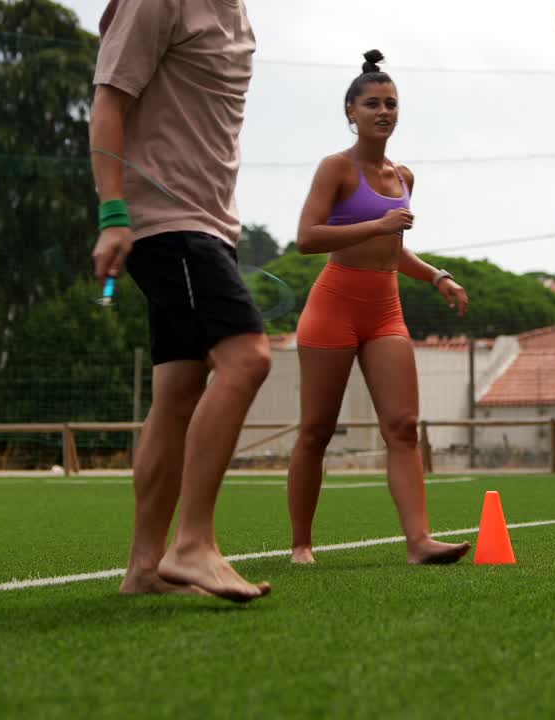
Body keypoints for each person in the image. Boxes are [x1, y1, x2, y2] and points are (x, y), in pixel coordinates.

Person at [90, 0, 271, 602]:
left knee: (177, 392)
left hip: (209, 225)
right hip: (167, 220)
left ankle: (144, 568)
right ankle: (192, 543)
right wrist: (112, 213)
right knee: (247, 358)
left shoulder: (237, 15)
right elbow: (108, 101)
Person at [289, 50, 472, 566]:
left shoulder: (403, 176)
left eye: (391, 103)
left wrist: (436, 275)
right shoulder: (336, 168)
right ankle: (301, 544)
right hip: (333, 307)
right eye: (372, 103)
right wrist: (378, 225)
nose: (383, 111)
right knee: (317, 431)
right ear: (351, 111)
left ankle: (419, 542)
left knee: (403, 426)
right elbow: (306, 238)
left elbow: (395, 251)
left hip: (385, 310)